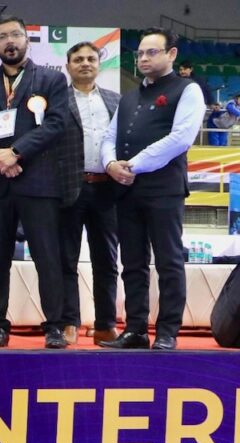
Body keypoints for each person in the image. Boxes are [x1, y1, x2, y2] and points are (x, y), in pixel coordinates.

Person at [100, 28, 204, 351]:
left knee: (169, 261)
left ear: (171, 54)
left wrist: (132, 165)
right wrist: (110, 164)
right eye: (140, 53)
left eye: (152, 52)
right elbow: (109, 137)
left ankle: (167, 331)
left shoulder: (188, 90)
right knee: (132, 264)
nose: (143, 58)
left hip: (164, 189)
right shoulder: (129, 96)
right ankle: (135, 330)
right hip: (127, 191)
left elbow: (181, 138)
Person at [0, 16, 70, 349]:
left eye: (16, 35)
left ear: (28, 40)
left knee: (47, 257)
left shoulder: (52, 79)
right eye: (2, 37)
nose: (10, 41)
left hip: (39, 182)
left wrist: (16, 153)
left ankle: (55, 326)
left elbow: (56, 124)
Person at [56, 41, 121, 346]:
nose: (85, 63)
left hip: (107, 189)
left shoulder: (116, 101)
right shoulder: (57, 101)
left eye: (91, 59)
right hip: (69, 189)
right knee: (65, 260)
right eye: (78, 59)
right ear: (68, 66)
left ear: (99, 64)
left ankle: (106, 325)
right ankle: (69, 322)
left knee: (106, 260)